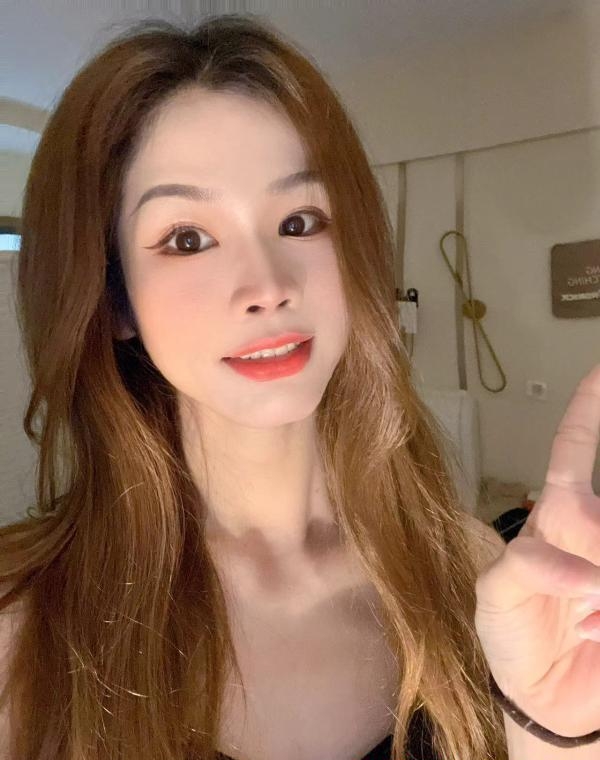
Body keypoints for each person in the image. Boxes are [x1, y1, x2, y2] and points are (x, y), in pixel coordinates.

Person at [0, 11, 599, 760]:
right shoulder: (20, 628)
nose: (267, 286)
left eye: (300, 221)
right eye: (188, 238)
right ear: (115, 299)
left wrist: (559, 731)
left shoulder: (469, 567)